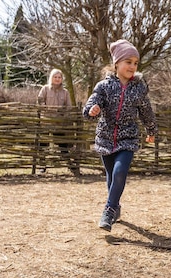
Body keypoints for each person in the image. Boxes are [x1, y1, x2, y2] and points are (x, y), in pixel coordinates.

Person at [83, 39, 157, 231]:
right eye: (128, 62)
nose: (132, 66)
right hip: (106, 138)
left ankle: (108, 210)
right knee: (110, 177)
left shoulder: (139, 88)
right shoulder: (104, 86)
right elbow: (90, 105)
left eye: (135, 63)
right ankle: (116, 207)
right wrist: (93, 109)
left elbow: (146, 111)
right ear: (117, 63)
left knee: (119, 171)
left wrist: (151, 130)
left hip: (128, 138)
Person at [37, 69, 74, 173]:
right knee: (43, 145)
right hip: (46, 121)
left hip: (59, 123)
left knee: (63, 145)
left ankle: (70, 165)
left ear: (62, 79)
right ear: (51, 78)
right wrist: (46, 110)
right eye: (55, 77)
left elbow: (68, 107)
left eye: (59, 77)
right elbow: (40, 101)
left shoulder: (65, 92)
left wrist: (63, 116)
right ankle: (42, 166)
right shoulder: (45, 89)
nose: (57, 79)